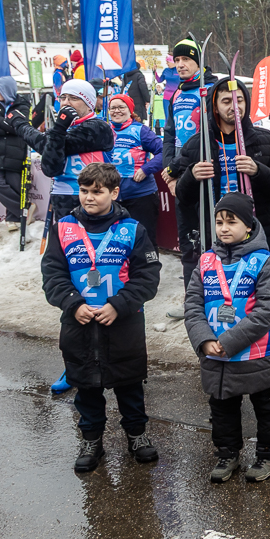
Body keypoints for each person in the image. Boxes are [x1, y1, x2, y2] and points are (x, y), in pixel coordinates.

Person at [40, 162, 162, 473]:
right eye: (84, 191)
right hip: (79, 325)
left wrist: (119, 305)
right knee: (87, 390)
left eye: (97, 192)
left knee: (130, 387)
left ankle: (137, 435)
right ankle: (92, 440)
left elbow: (147, 277)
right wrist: (73, 304)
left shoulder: (133, 230)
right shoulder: (63, 228)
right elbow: (53, 274)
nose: (89, 197)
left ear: (114, 192)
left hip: (123, 325)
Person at [184, 192, 270, 483]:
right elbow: (192, 304)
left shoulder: (263, 261)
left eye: (232, 222)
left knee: (267, 404)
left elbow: (268, 309)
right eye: (219, 222)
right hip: (215, 353)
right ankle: (227, 453)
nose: (224, 228)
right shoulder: (205, 262)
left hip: (254, 353)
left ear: (249, 227)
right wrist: (204, 340)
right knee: (221, 406)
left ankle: (269, 453)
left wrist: (229, 342)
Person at [175, 76, 270, 273]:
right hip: (215, 237)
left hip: (259, 234)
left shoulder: (266, 140)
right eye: (226, 101)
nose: (234, 106)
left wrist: (258, 171)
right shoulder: (197, 144)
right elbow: (183, 198)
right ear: (215, 107)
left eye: (239, 100)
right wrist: (191, 176)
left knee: (261, 301)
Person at [161, 39, 219, 316]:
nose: (180, 65)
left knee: (211, 237)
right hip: (181, 173)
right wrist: (169, 171)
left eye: (186, 59)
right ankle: (192, 301)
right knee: (188, 240)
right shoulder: (176, 94)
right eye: (177, 60)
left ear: (198, 61)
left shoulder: (210, 89)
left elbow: (205, 136)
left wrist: (176, 167)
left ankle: (217, 296)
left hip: (207, 171)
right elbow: (170, 135)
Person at [12, 79, 116, 221]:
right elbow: (50, 167)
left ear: (88, 104)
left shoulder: (98, 127)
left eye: (74, 98)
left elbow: (44, 145)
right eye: (63, 98)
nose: (66, 103)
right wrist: (59, 128)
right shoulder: (63, 128)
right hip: (62, 195)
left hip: (92, 197)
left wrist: (20, 125)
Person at [107, 93, 163, 243]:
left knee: (143, 239)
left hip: (141, 195)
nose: (116, 111)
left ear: (130, 110)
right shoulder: (104, 130)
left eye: (121, 107)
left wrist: (146, 169)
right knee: (116, 241)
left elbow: (164, 152)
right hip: (111, 196)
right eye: (113, 108)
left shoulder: (140, 130)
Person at [0, 76, 32, 230]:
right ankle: (24, 210)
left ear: (7, 89)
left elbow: (17, 128)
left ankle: (13, 219)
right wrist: (5, 125)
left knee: (14, 184)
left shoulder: (22, 104)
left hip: (15, 151)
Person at [154, 56, 181, 123]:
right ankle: (167, 131)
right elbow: (159, 80)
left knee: (176, 114)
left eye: (168, 62)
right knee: (167, 115)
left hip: (177, 95)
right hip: (166, 96)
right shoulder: (166, 70)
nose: (166, 63)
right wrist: (155, 72)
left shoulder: (179, 70)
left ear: (173, 62)